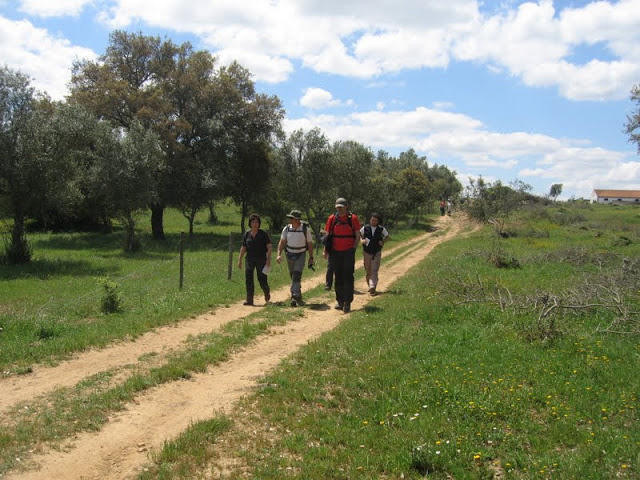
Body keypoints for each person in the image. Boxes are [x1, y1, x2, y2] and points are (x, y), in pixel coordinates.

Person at [323, 197, 361, 313]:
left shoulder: (353, 218)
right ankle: (340, 301)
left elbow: (357, 235)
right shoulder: (332, 218)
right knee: (338, 276)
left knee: (348, 276)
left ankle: (347, 302)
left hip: (348, 251)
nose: (339, 209)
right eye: (337, 207)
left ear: (346, 207)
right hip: (335, 252)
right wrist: (326, 250)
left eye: (341, 207)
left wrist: (353, 248)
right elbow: (327, 237)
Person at [277, 209, 314, 307]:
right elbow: (282, 242)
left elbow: (310, 244)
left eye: (292, 218)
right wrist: (278, 254)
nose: (290, 220)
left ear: (297, 219)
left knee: (296, 274)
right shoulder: (286, 229)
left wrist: (311, 257)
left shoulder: (305, 229)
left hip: (301, 254)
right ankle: (298, 293)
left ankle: (294, 296)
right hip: (289, 254)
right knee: (293, 275)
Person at [238, 214, 272, 306]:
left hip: (261, 260)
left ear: (259, 223)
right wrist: (240, 259)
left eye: (257, 222)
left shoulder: (263, 234)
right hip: (249, 259)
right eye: (253, 222)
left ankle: (266, 291)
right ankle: (249, 300)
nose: (255, 224)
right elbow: (244, 247)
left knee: (261, 279)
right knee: (248, 279)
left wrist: (268, 260)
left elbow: (269, 247)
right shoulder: (247, 234)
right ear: (250, 223)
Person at [360, 213, 389, 296]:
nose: (373, 221)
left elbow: (387, 236)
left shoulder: (381, 229)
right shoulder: (365, 228)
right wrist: (362, 240)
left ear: (378, 221)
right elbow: (359, 234)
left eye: (375, 220)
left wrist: (383, 241)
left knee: (374, 269)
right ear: (370, 220)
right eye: (372, 220)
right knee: (368, 269)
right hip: (366, 252)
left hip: (376, 252)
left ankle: (373, 287)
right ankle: (370, 285)